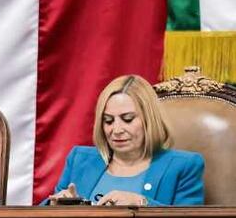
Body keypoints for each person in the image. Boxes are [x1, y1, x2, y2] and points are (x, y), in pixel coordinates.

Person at [48, 74, 204, 206]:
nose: (116, 130)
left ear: (149, 120)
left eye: (127, 119)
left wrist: (142, 203)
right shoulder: (79, 160)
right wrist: (55, 205)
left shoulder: (183, 166)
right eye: (108, 121)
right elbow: (44, 216)